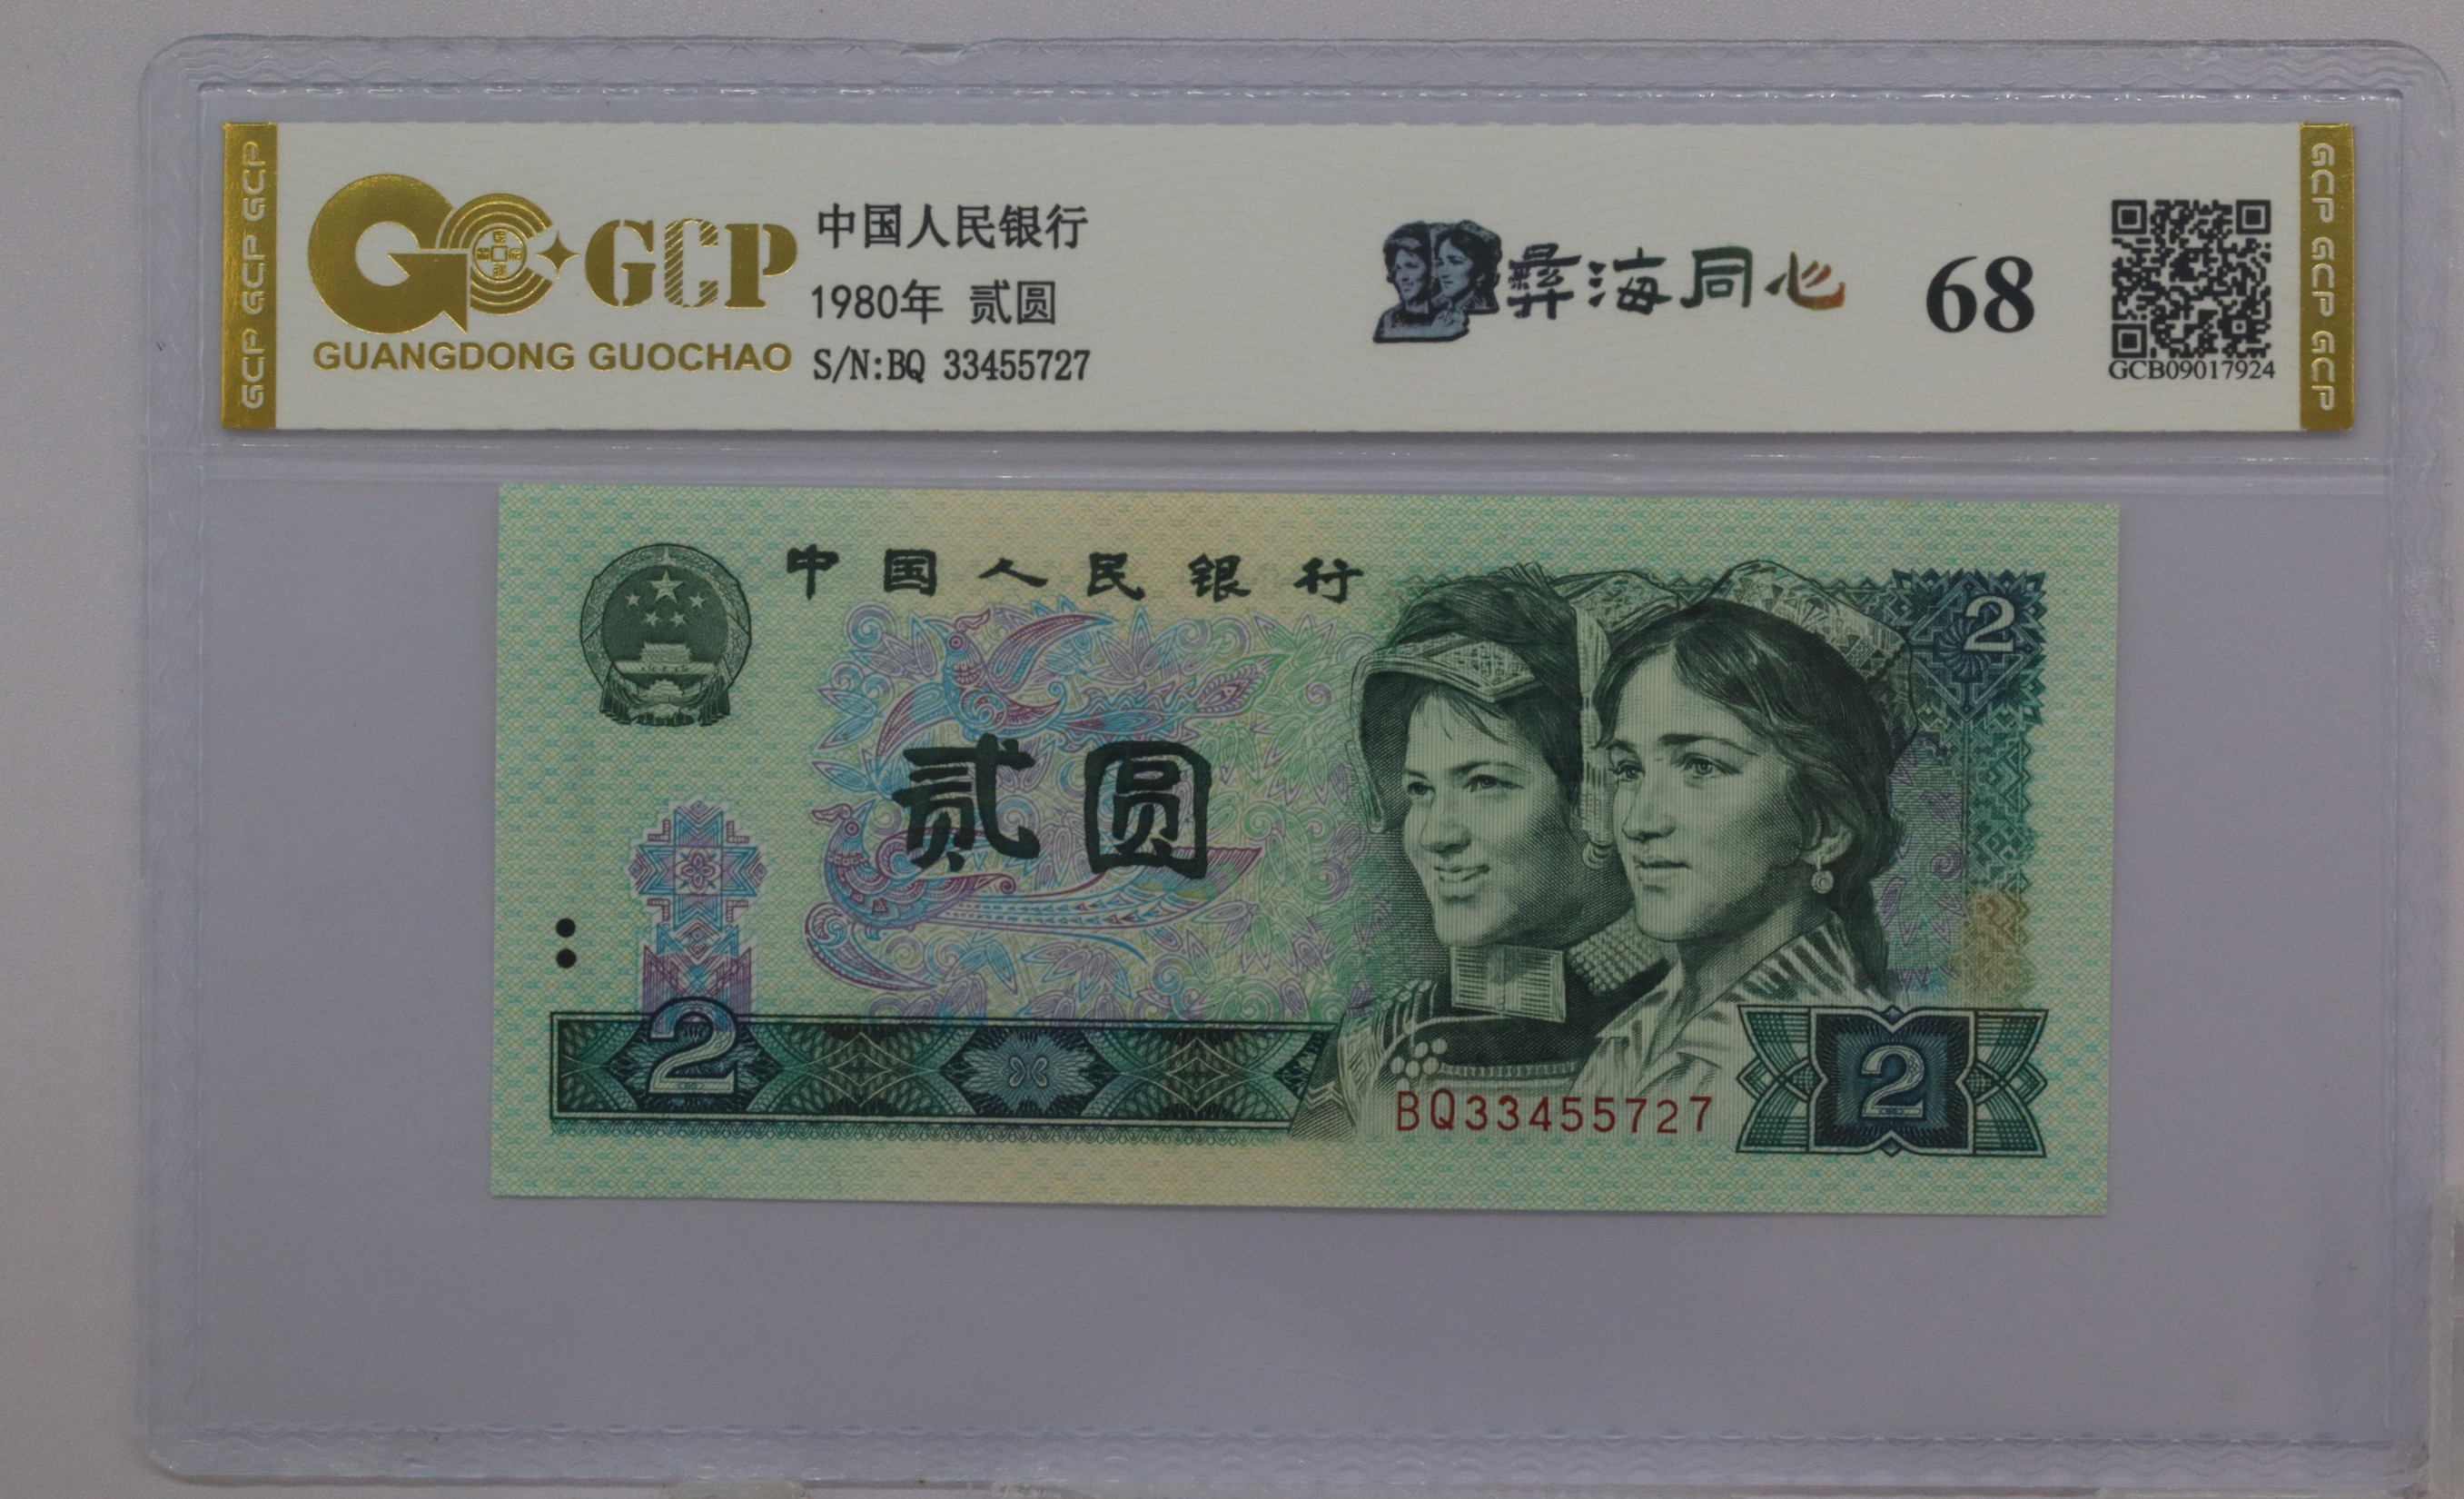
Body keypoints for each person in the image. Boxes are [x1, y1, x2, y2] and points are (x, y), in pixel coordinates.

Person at [1294, 569, 1675, 1131]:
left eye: (1484, 783)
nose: (1435, 835)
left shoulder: (1701, 1025)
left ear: (1597, 795)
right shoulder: (1376, 1045)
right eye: (1420, 791)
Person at [1570, 568, 1906, 1113]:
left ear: (1825, 826)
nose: (1638, 821)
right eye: (1629, 770)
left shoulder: (1838, 1065)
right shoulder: (1632, 1035)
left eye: (1700, 765)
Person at [1371, 223, 1468, 342]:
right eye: (1398, 268)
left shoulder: (1451, 319)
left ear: (1432, 270)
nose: (1402, 277)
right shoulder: (1389, 319)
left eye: (1411, 266)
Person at [1430, 220, 1503, 318]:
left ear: (1481, 273)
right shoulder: (1446, 311)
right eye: (1440, 263)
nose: (1443, 273)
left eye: (1455, 262)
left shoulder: (1478, 311)